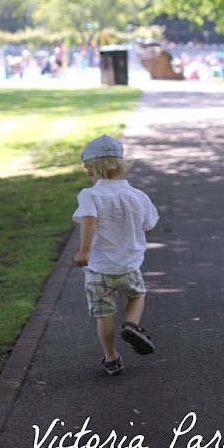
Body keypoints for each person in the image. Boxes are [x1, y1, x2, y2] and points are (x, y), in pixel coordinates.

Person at [73, 134, 159, 376]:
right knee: (137, 295)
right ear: (120, 166)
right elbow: (149, 226)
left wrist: (85, 250)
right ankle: (132, 325)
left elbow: (89, 220)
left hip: (98, 268)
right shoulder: (137, 195)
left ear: (90, 171)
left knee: (104, 314)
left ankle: (111, 358)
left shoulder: (90, 195)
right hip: (128, 267)